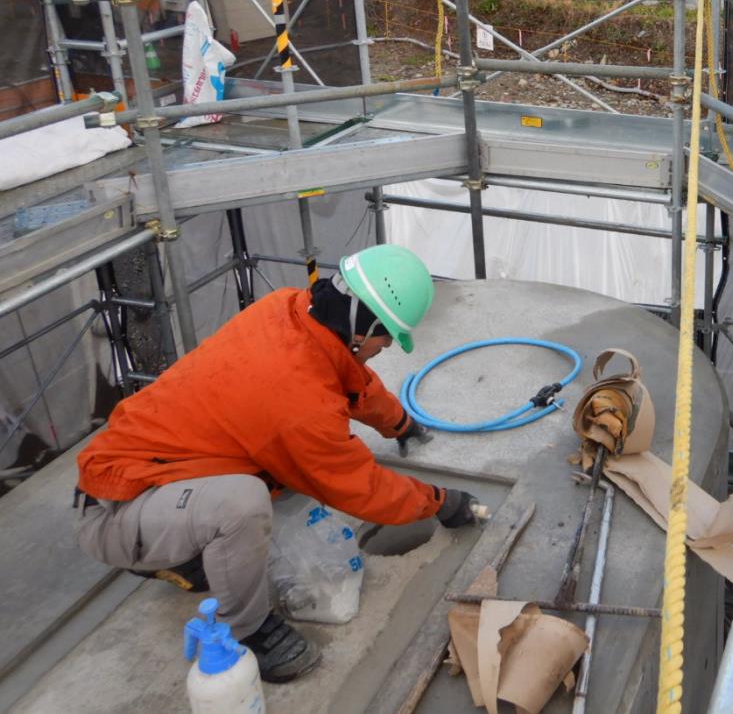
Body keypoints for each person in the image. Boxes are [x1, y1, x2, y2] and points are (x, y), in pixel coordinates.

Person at [75, 244, 485, 682]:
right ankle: (247, 629)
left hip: (164, 475)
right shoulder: (296, 401)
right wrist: (438, 501)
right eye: (387, 338)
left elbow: (349, 379)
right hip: (118, 507)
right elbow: (356, 486)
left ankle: (189, 552)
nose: (386, 348)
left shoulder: (290, 310)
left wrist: (399, 423)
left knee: (275, 477)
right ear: (363, 329)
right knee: (244, 502)